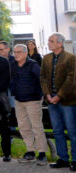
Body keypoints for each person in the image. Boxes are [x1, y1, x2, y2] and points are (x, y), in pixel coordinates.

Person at [40, 33, 76, 169]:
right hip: (51, 100)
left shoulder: (71, 58)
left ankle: (75, 160)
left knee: (72, 132)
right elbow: (42, 77)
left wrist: (59, 96)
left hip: (68, 101)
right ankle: (63, 159)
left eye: (51, 41)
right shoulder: (46, 58)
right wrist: (48, 94)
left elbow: (71, 79)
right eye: (49, 41)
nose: (48, 43)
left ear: (60, 44)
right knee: (57, 131)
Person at [10, 44, 47, 165]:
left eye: (19, 52)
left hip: (33, 100)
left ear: (25, 53)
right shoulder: (13, 65)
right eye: (15, 52)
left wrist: (42, 94)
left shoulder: (33, 65)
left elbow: (42, 79)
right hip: (19, 100)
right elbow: (12, 80)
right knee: (23, 127)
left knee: (37, 127)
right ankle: (30, 151)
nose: (16, 54)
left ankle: (42, 154)